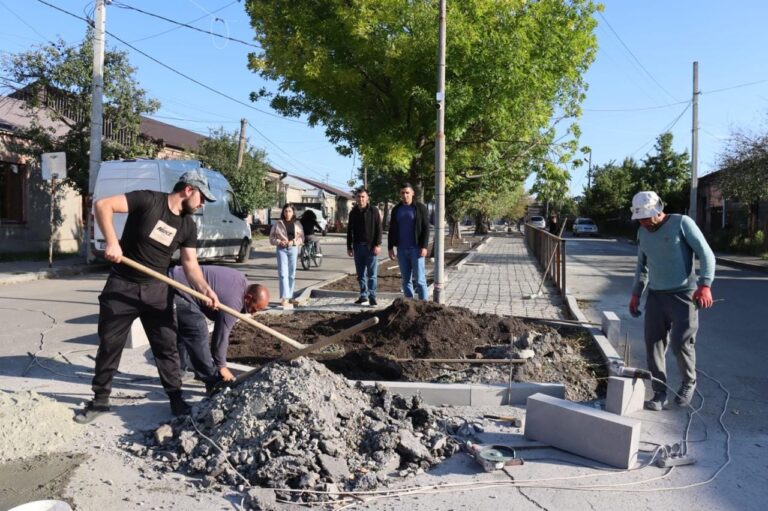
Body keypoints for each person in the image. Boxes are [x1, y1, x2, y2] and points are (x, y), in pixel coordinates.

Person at [75, 170, 220, 424]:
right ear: (188, 190)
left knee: (166, 346)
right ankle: (100, 400)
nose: (202, 203)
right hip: (122, 286)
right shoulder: (148, 200)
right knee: (110, 344)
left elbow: (190, 264)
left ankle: (176, 399)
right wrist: (111, 242)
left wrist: (205, 289)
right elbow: (103, 205)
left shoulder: (187, 225)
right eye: (201, 197)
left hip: (157, 290)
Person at [628, 191, 715, 411]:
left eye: (647, 217)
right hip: (656, 296)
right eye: (640, 219)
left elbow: (706, 254)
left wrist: (705, 285)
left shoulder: (681, 223)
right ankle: (659, 392)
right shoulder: (643, 231)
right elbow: (642, 266)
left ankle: (688, 381)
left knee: (680, 343)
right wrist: (636, 293)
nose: (644, 222)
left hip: (684, 294)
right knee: (653, 343)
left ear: (658, 210)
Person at [170, 265, 269, 393]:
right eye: (254, 308)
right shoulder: (234, 301)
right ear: (248, 298)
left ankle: (178, 371)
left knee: (186, 329)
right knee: (197, 332)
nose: (254, 313)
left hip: (178, 278)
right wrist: (222, 367)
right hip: (176, 287)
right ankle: (212, 382)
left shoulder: (242, 284)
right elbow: (221, 336)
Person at [388, 183, 430, 300]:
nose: (405, 195)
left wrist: (424, 246)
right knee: (406, 281)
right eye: (402, 193)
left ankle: (424, 305)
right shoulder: (396, 209)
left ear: (412, 193)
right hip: (401, 250)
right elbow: (392, 229)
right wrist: (390, 247)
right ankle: (409, 307)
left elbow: (426, 228)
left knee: (420, 280)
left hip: (416, 250)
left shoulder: (420, 208)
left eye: (407, 193)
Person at [346, 188, 383, 306]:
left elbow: (379, 229)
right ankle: (363, 295)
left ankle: (372, 296)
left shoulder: (374, 211)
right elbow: (349, 230)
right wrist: (349, 246)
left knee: (371, 274)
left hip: (370, 247)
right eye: (358, 197)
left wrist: (377, 244)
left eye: (363, 197)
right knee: (360, 274)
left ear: (367, 198)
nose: (360, 199)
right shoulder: (353, 212)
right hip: (357, 247)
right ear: (356, 198)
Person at [270, 203, 304, 308]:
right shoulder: (278, 223)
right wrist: (279, 241)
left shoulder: (297, 224)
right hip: (281, 249)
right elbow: (271, 238)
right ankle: (284, 298)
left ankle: (290, 296)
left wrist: (293, 242)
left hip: (293, 249)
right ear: (283, 212)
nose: (287, 213)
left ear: (293, 212)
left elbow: (302, 238)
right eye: (285, 211)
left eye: (289, 211)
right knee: (283, 274)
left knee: (291, 274)